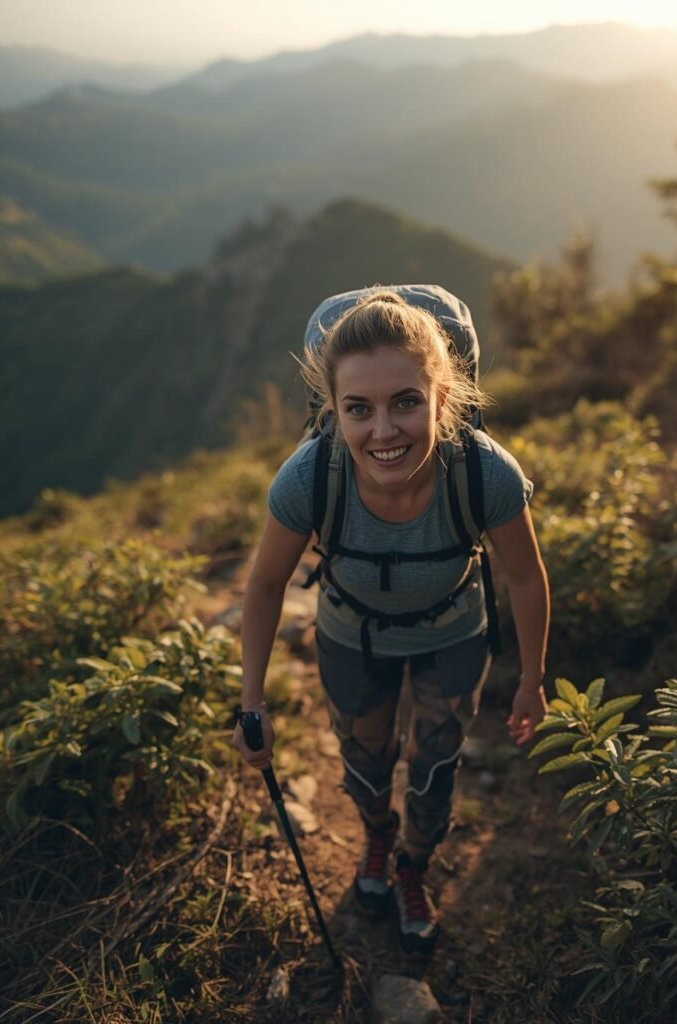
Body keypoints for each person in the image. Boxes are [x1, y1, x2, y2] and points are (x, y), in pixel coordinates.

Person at [232, 290, 549, 957]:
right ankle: (376, 833)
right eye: (358, 409)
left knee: (434, 768)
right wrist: (251, 703)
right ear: (332, 411)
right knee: (365, 763)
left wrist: (530, 683)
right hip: (352, 639)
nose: (382, 431)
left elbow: (524, 575)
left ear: (441, 398)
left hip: (453, 637)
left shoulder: (484, 473)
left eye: (405, 402)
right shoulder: (310, 477)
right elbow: (263, 585)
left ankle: (411, 866)